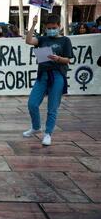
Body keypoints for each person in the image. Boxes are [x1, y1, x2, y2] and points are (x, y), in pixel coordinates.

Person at [24, 14, 73, 146]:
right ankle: (36, 127)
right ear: (45, 28)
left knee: (52, 107)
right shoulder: (43, 38)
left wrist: (58, 58)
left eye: (54, 27)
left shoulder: (65, 41)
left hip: (57, 75)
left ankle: (48, 133)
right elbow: (28, 41)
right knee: (32, 104)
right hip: (43, 75)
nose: (51, 30)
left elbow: (68, 59)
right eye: (49, 28)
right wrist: (33, 25)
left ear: (59, 26)